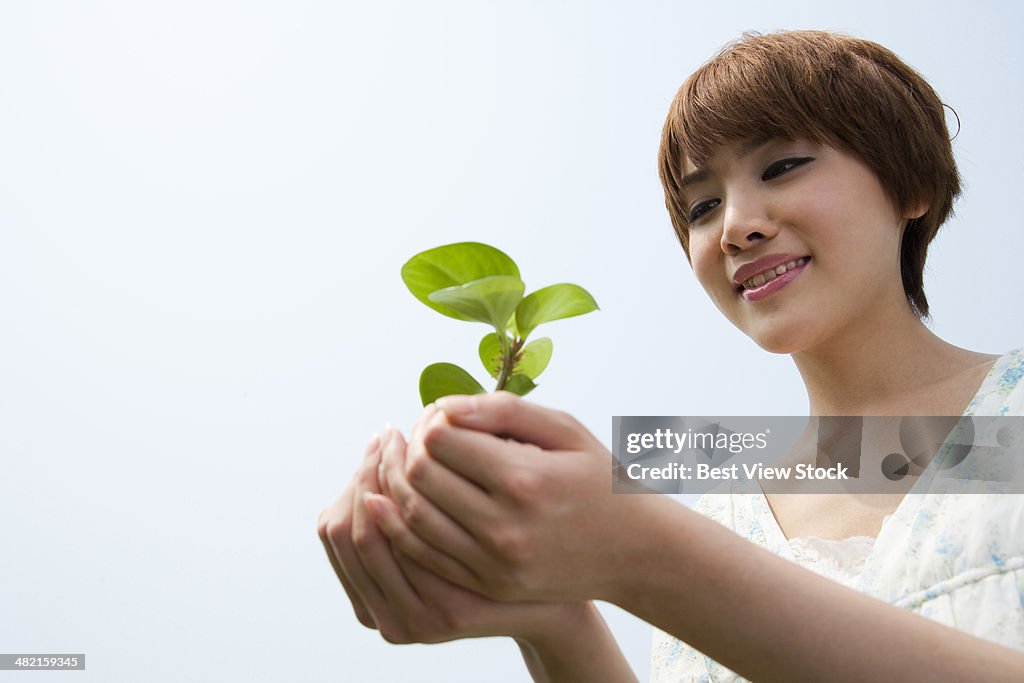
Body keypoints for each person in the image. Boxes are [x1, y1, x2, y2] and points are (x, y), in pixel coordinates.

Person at [318, 30, 1024, 681]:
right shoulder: (724, 518)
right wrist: (550, 620)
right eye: (700, 208)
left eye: (781, 165)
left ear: (912, 186)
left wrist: (645, 554)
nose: (736, 227)